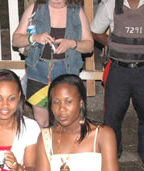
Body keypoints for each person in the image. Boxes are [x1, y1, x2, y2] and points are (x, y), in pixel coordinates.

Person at [91, 0, 144, 171]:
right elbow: (95, 31)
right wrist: (113, 44)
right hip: (117, 69)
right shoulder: (111, 4)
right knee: (112, 116)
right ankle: (111, 153)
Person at [12, 0, 94, 128]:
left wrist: (72, 43)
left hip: (66, 73)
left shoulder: (77, 12)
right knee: (41, 123)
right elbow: (16, 40)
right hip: (38, 73)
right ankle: (45, 147)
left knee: (65, 122)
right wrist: (33, 38)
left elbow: (89, 46)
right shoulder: (35, 9)